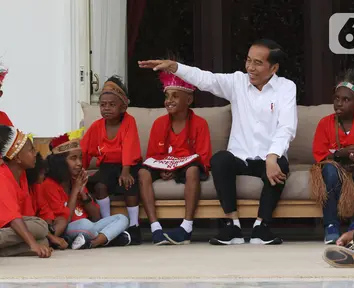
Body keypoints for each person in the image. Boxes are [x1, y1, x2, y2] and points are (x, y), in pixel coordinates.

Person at [139, 39, 297, 245]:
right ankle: (233, 226)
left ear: (273, 68)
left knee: (282, 164)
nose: (250, 67)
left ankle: (261, 226)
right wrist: (174, 67)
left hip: (268, 158)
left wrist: (273, 156)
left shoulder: (286, 88)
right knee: (220, 160)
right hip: (239, 157)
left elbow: (286, 127)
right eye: (248, 60)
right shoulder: (237, 82)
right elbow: (206, 79)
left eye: (257, 63)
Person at [139, 71, 212, 245]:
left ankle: (186, 227)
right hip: (163, 164)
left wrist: (176, 168)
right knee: (142, 173)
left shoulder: (200, 124)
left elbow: (203, 157)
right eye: (166, 96)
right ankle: (155, 228)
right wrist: (163, 168)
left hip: (187, 165)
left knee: (193, 170)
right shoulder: (159, 123)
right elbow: (152, 156)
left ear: (188, 100)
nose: (169, 100)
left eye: (175, 96)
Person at [310, 69, 354, 245]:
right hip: (336, 166)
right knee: (329, 171)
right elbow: (320, 153)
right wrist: (339, 154)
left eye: (346, 100)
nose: (339, 104)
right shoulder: (325, 123)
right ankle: (331, 226)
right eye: (336, 99)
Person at [41, 129, 132, 250]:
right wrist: (75, 191)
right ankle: (109, 238)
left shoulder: (77, 181)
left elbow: (96, 217)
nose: (79, 163)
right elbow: (65, 221)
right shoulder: (49, 185)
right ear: (60, 163)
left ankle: (92, 243)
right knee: (86, 224)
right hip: (68, 228)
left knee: (122, 218)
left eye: (80, 158)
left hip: (89, 227)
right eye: (73, 158)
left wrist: (83, 192)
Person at [81, 76, 142, 244]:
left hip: (129, 166)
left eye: (112, 105)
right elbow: (84, 150)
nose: (106, 108)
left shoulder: (129, 121)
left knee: (130, 184)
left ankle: (135, 226)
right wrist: (79, 171)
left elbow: (129, 146)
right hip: (107, 167)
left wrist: (126, 170)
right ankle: (107, 224)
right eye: (103, 105)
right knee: (100, 186)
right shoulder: (96, 126)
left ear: (123, 107)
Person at [0, 125, 52, 258]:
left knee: (43, 240)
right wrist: (33, 244)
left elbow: (27, 217)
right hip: (10, 223)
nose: (35, 153)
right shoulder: (2, 176)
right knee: (40, 226)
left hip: (6, 227)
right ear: (17, 158)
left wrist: (37, 242)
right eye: (31, 150)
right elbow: (14, 219)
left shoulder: (21, 175)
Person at [26, 152, 69, 250]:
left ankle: (47, 240)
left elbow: (45, 211)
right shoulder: (27, 186)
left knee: (61, 221)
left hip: (40, 227)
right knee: (39, 226)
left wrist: (48, 229)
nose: (44, 176)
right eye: (42, 173)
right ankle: (47, 241)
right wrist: (51, 235)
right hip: (29, 225)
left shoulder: (37, 186)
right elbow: (27, 218)